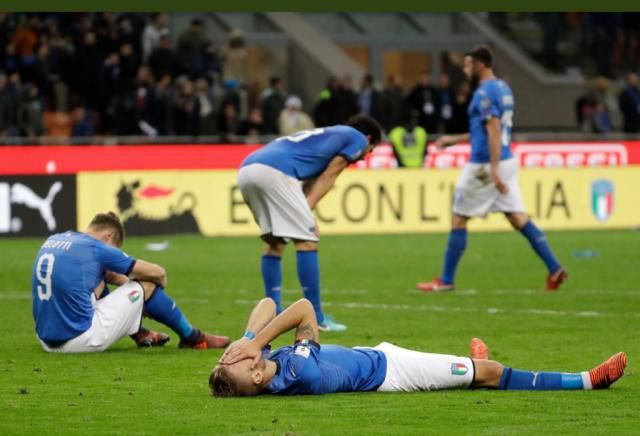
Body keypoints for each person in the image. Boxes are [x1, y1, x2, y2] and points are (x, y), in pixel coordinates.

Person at [210, 298, 627, 397]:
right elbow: (302, 309)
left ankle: (471, 368)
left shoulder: (265, 365)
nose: (252, 364)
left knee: (475, 370)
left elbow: (267, 302)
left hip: (377, 353)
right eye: (247, 370)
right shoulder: (298, 373)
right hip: (393, 373)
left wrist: (246, 342)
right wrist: (258, 343)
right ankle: (588, 381)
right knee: (493, 373)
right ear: (256, 379)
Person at [417, 46, 567, 292]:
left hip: (485, 164)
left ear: (480, 65)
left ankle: (445, 280)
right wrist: (454, 140)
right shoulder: (503, 88)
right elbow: (486, 129)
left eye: (468, 65)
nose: (465, 70)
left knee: (459, 216)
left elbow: (493, 130)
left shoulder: (483, 93)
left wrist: (494, 170)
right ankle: (555, 268)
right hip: (507, 159)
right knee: (518, 217)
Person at [237, 115, 383, 332]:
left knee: (275, 242)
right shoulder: (357, 138)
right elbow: (329, 176)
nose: (364, 157)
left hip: (247, 169)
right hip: (275, 172)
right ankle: (316, 317)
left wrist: (303, 209)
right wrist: (307, 212)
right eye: (370, 150)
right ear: (368, 138)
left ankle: (272, 310)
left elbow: (307, 181)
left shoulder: (329, 134)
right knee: (308, 239)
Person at [32, 212, 230, 353]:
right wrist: (147, 296)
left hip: (46, 342)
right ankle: (193, 338)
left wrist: (134, 303)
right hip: (78, 339)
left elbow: (107, 276)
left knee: (104, 278)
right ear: (108, 237)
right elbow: (159, 274)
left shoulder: (56, 239)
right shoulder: (97, 248)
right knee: (148, 286)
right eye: (116, 248)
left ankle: (140, 332)